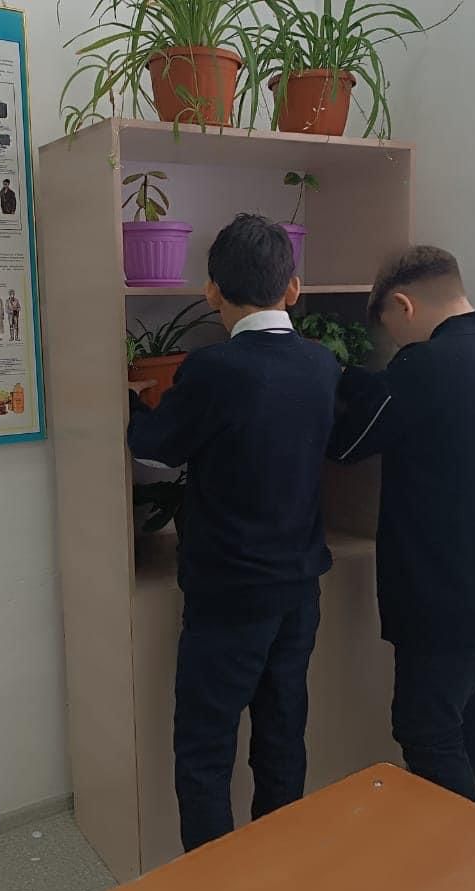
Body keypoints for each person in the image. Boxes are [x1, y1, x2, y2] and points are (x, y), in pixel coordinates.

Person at [127, 214, 340, 853]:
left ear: (212, 291)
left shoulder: (212, 368)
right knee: (282, 732)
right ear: (293, 289)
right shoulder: (322, 363)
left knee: (205, 744)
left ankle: (213, 887)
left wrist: (133, 400)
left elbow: (157, 450)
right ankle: (278, 866)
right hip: (299, 587)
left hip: (228, 591)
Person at [328, 247, 475, 803]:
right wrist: (357, 379)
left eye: (391, 330)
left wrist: (325, 378)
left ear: (403, 305)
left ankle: (460, 849)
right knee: (463, 712)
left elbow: (347, 443)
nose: (395, 344)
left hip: (446, 589)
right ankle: (465, 839)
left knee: (424, 729)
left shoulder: (427, 365)